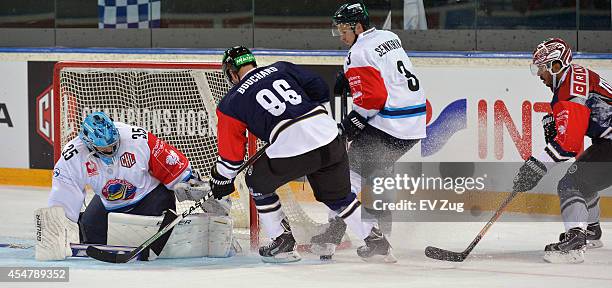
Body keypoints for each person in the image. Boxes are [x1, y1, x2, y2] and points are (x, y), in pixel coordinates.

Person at [207, 45, 396, 263]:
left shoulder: (231, 102)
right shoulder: (280, 68)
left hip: (293, 147)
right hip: (329, 135)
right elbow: (318, 85)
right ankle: (376, 241)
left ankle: (282, 242)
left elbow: (232, 160)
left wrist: (221, 178)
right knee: (339, 197)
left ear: (231, 72)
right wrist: (317, 116)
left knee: (256, 182)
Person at [311, 0, 426, 256]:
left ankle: (352, 236)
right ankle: (342, 230)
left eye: (344, 30)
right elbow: (385, 74)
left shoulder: (358, 52)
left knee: (344, 175)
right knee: (359, 172)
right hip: (414, 123)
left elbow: (373, 99)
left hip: (390, 124)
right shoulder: (389, 36)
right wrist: (352, 80)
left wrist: (353, 121)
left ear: (358, 27)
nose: (340, 36)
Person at [36, 111, 229, 260]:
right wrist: (57, 227)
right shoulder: (73, 156)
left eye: (114, 144)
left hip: (151, 196)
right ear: (89, 144)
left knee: (156, 241)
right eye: (104, 149)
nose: (111, 150)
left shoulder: (138, 138)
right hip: (109, 203)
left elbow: (173, 166)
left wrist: (191, 185)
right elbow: (63, 197)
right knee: (91, 233)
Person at [512, 38, 609, 263]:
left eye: (542, 68)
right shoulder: (573, 78)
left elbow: (570, 145)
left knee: (570, 184)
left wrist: (537, 166)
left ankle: (575, 241)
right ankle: (591, 230)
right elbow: (576, 145)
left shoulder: (571, 90)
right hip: (606, 142)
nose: (539, 74)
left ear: (556, 66)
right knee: (581, 174)